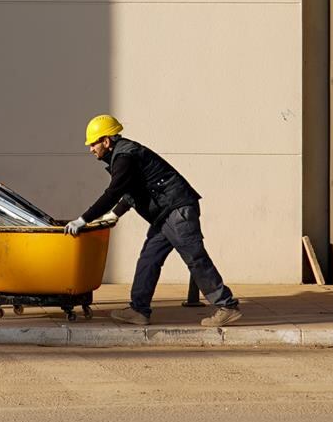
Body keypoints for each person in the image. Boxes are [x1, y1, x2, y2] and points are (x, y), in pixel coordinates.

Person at [64, 113, 241, 326]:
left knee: (195, 258)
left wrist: (82, 220)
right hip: (164, 214)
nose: (91, 149)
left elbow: (113, 192)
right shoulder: (124, 155)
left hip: (177, 210)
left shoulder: (125, 157)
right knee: (149, 259)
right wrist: (115, 214)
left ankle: (226, 306)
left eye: (93, 144)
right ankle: (139, 310)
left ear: (106, 141)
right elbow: (132, 189)